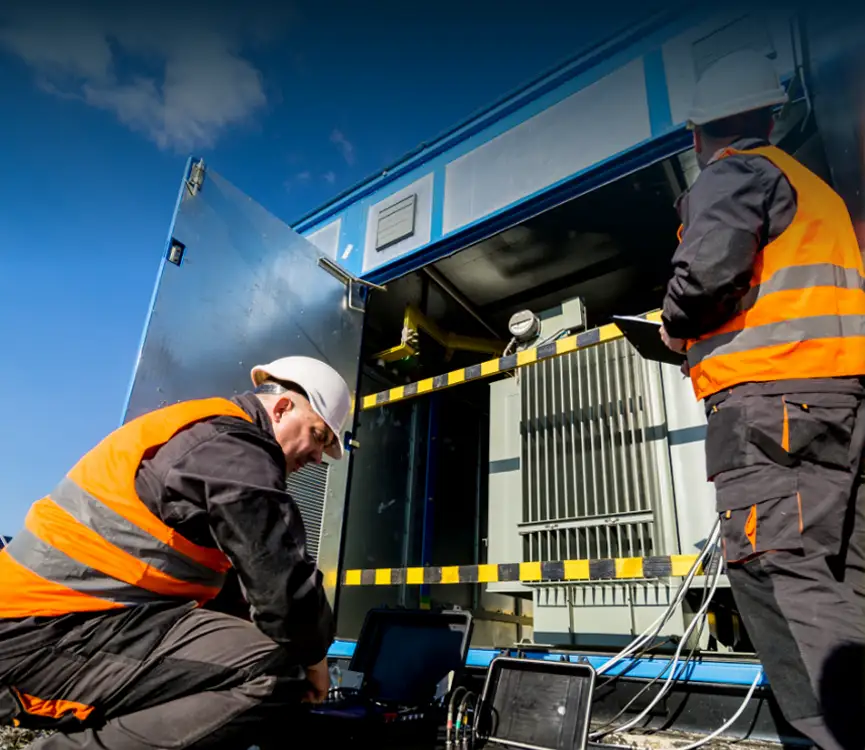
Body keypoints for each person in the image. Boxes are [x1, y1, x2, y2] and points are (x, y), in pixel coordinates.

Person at [660, 49, 865, 750]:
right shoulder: (818, 193)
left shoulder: (734, 173)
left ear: (697, 135)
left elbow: (701, 281)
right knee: (844, 581)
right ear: (771, 118)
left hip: (771, 408)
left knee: (780, 574)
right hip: (840, 408)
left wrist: (672, 325)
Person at [0, 355, 353, 750]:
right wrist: (314, 658)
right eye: (318, 436)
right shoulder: (233, 450)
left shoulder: (203, 436)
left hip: (62, 625)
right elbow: (281, 581)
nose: (317, 457)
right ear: (283, 407)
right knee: (273, 671)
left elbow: (240, 595)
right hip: (36, 634)